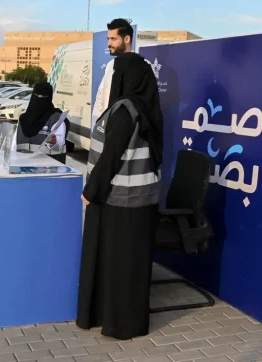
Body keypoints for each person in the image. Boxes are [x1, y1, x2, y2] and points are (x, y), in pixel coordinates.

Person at [77, 51, 164, 340]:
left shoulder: (126, 110)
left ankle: (120, 324)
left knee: (120, 265)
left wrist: (91, 191)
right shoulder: (143, 107)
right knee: (127, 266)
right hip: (138, 200)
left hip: (122, 201)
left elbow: (111, 157)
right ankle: (115, 318)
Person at [92, 18, 134, 129]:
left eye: (113, 39)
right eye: (108, 39)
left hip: (129, 133)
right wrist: (97, 127)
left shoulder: (143, 66)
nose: (109, 43)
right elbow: (100, 98)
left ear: (127, 39)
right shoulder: (110, 66)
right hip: (107, 130)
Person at [16, 81, 69, 164]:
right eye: (37, 96)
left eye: (43, 96)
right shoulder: (23, 119)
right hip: (23, 167)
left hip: (48, 168)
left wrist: (54, 142)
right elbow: (14, 146)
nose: (39, 98)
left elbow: (60, 143)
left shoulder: (56, 118)